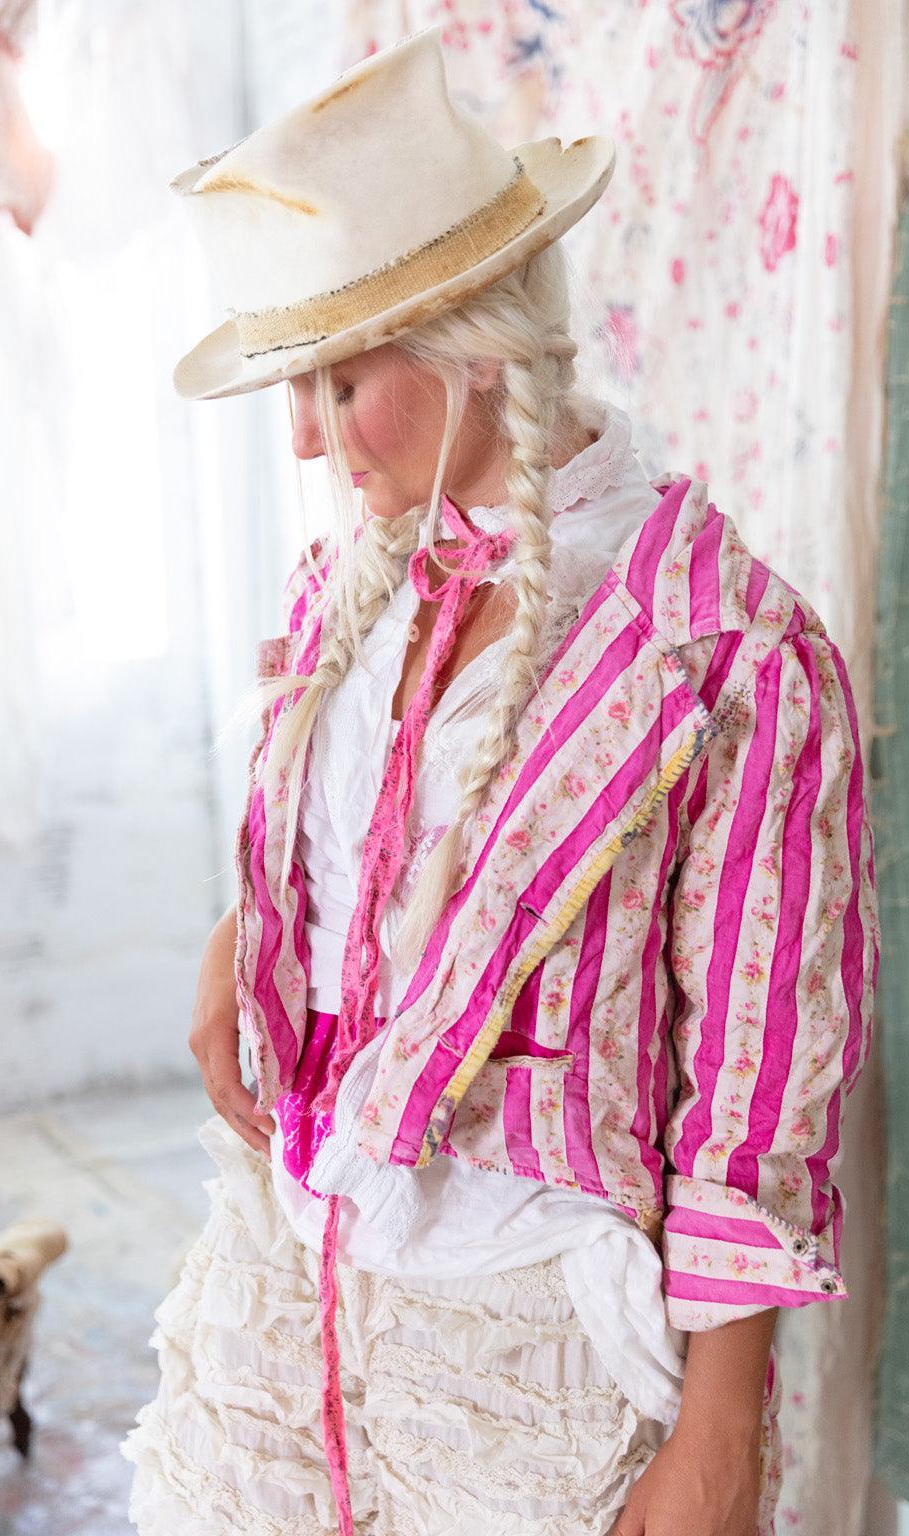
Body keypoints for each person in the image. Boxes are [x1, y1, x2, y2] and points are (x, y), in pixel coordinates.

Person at [121, 26, 878, 1536]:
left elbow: (753, 1089)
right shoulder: (361, 582)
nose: (306, 441)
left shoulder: (718, 648)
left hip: (524, 1333)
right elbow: (349, 856)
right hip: (299, 1268)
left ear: (473, 340)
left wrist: (723, 1437)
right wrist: (239, 942)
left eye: (337, 381)